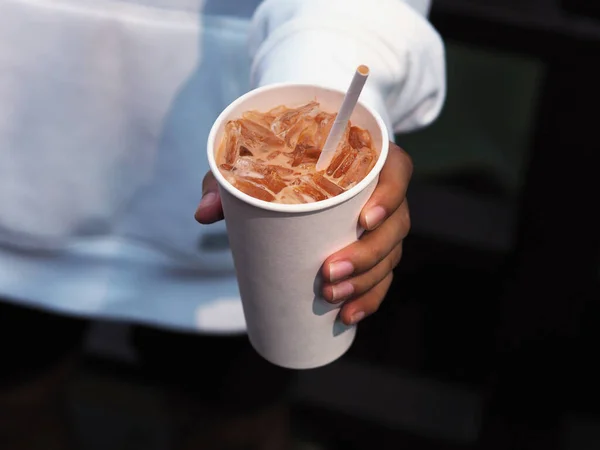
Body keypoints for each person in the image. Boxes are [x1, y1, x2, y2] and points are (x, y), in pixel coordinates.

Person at [0, 0, 445, 449]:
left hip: (236, 259)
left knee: (234, 427)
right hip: (17, 179)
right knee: (17, 407)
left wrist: (325, 66)